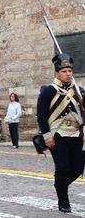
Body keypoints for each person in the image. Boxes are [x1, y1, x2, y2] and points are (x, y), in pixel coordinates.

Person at [37, 53, 84, 213]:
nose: (68, 74)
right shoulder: (49, 91)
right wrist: (47, 136)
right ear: (57, 73)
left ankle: (59, 184)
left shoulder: (78, 91)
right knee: (63, 168)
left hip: (76, 135)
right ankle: (63, 201)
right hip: (57, 135)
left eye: (70, 71)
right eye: (64, 71)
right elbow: (42, 116)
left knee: (78, 168)